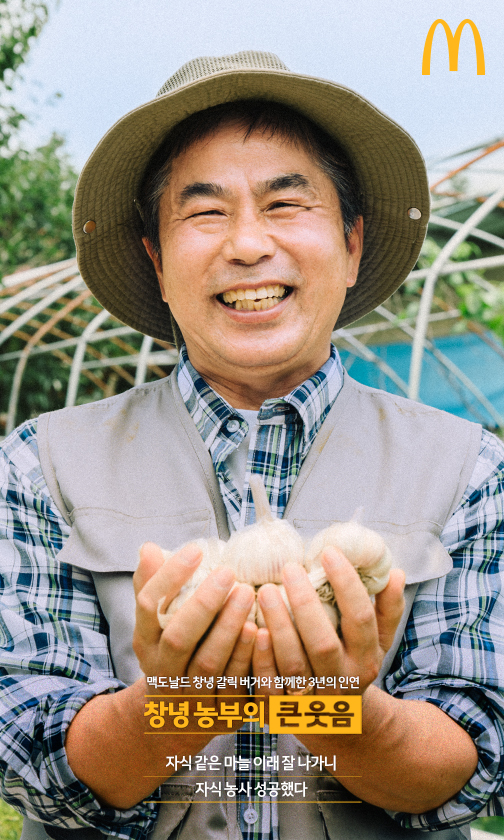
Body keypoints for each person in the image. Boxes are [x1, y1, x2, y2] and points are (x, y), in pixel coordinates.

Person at [0, 50, 503, 840]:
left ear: (352, 242)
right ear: (157, 262)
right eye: (204, 212)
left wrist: (342, 713)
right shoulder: (40, 466)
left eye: (285, 203)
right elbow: (30, 754)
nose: (246, 245)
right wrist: (172, 711)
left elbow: (476, 762)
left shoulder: (471, 467)